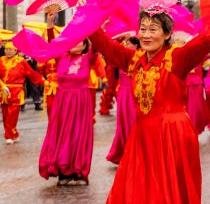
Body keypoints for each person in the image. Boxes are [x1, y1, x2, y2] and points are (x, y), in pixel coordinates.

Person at [87, 2, 210, 204]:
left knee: (174, 201)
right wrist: (88, 18)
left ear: (166, 34)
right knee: (140, 203)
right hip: (142, 141)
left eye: (154, 30)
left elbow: (201, 45)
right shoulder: (135, 60)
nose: (147, 34)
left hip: (173, 137)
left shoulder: (177, 59)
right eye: (143, 29)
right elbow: (106, 47)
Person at [38, 37, 97, 184]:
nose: (73, 43)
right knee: (61, 134)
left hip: (80, 102)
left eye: (77, 41)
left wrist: (97, 27)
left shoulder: (87, 58)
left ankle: (78, 171)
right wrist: (50, 23)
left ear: (84, 45)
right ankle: (63, 173)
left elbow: (96, 48)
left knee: (78, 134)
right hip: (62, 102)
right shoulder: (61, 57)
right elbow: (52, 44)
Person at [0, 41, 45, 144]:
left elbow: (32, 74)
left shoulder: (21, 62)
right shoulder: (1, 60)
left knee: (12, 115)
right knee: (5, 115)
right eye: (6, 49)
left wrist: (44, 82)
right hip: (3, 92)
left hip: (16, 91)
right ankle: (14, 134)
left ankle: (9, 135)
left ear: (16, 51)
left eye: (10, 49)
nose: (8, 51)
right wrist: (2, 85)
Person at [105, 36, 139, 165]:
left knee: (132, 123)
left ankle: (134, 152)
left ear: (136, 45)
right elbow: (111, 52)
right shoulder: (121, 58)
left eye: (128, 43)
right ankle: (123, 152)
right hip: (122, 94)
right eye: (125, 43)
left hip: (134, 94)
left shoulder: (140, 57)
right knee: (122, 123)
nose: (126, 45)